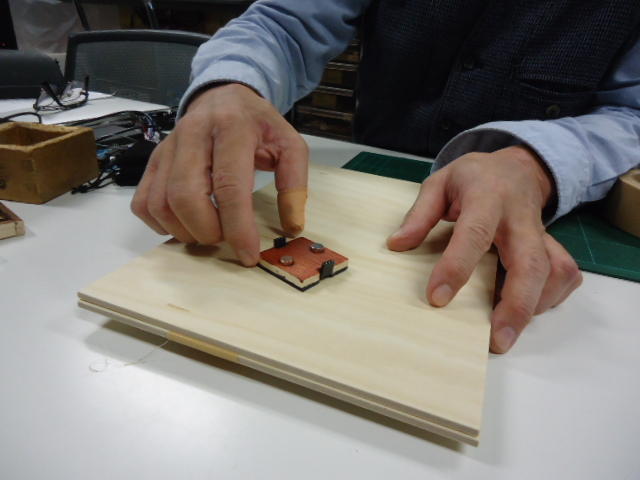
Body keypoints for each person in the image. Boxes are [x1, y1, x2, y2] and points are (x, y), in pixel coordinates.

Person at [132, 0, 640, 353]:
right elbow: (284, 23)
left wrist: (535, 163)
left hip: (543, 210)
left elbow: (632, 114)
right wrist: (228, 85)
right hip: (362, 176)